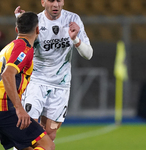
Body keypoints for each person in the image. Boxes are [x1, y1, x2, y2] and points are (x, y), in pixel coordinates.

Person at [14, 0, 93, 145]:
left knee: (49, 134)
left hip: (61, 87)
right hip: (36, 83)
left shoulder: (73, 19)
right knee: (27, 129)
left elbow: (88, 54)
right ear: (43, 2)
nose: (55, 4)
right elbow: (20, 48)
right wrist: (23, 24)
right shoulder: (36, 22)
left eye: (59, 0)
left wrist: (75, 39)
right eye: (51, 0)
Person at [0, 12, 55, 150]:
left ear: (16, 30)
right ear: (38, 30)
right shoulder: (24, 48)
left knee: (27, 147)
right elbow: (7, 74)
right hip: (2, 108)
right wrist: (19, 109)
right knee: (47, 146)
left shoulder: (10, 46)